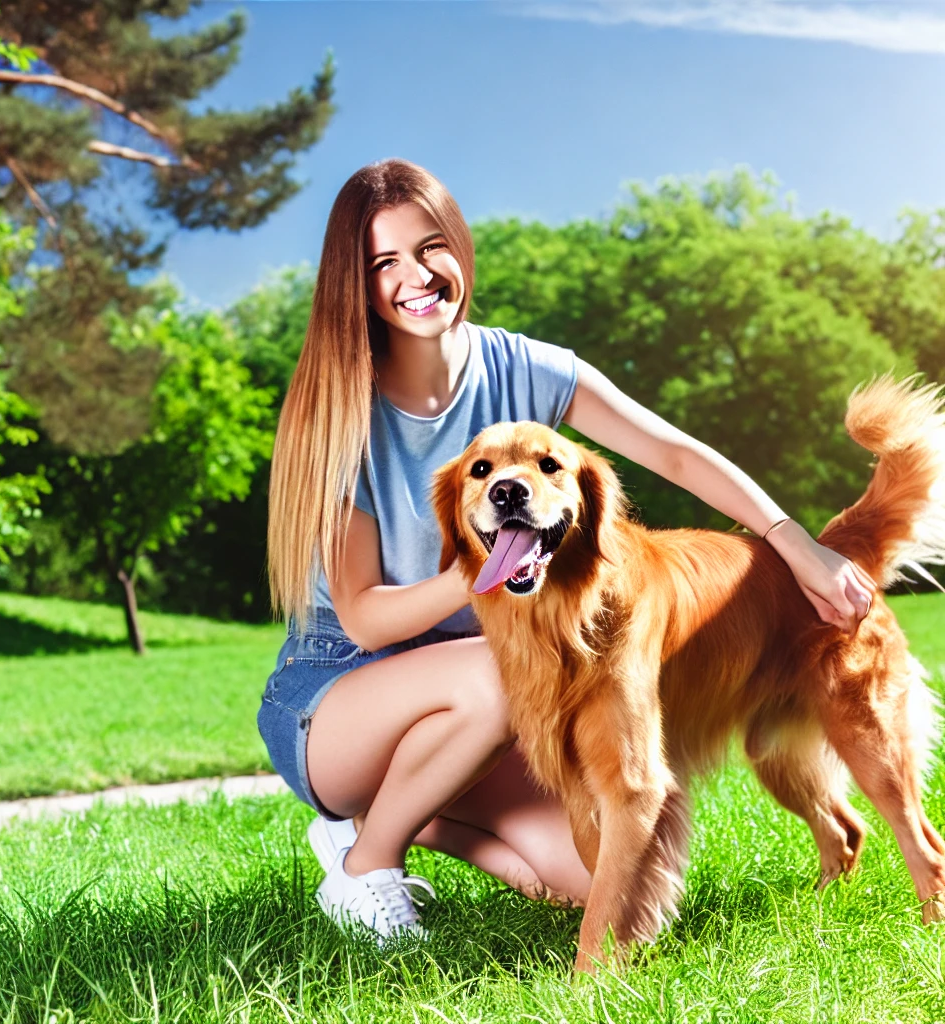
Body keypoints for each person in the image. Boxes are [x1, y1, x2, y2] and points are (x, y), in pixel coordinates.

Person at [259, 158, 876, 941]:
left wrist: (796, 547)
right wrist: (487, 572)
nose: (415, 277)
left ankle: (389, 818)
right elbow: (368, 620)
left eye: (429, 247)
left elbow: (677, 456)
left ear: (459, 245)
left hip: (481, 698)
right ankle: (364, 864)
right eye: (383, 263)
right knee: (498, 675)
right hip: (337, 695)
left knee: (595, 878)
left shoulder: (524, 367)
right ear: (354, 283)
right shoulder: (337, 412)